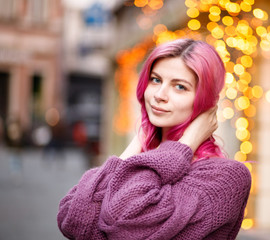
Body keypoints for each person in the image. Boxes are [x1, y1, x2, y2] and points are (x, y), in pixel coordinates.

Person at [57, 38, 252, 240]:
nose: (159, 95)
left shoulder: (227, 177)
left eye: (180, 87)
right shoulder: (144, 159)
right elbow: (73, 219)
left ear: (205, 100)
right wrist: (139, 141)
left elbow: (124, 222)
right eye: (156, 80)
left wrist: (188, 142)